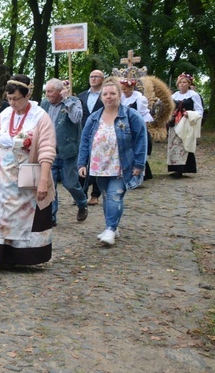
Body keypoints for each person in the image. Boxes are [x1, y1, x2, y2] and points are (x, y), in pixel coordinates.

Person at [0, 75, 56, 270]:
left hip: (25, 173)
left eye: (16, 99)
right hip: (0, 173)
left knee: (20, 215)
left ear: (27, 95)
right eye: (9, 98)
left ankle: (17, 255)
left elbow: (47, 149)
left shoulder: (40, 117)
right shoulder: (4, 114)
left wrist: (43, 180)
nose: (12, 102)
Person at [78, 81, 147, 246]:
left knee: (115, 195)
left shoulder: (131, 116)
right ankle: (113, 226)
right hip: (99, 166)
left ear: (119, 95)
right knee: (107, 196)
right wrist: (82, 163)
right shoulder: (94, 118)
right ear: (101, 97)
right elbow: (85, 141)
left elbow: (141, 141)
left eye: (112, 93)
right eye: (105, 94)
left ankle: (110, 229)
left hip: (121, 165)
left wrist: (139, 164)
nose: (109, 97)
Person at [40, 78, 89, 226]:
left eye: (50, 91)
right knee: (50, 185)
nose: (47, 94)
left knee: (70, 183)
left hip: (69, 152)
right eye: (46, 91)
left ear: (60, 91)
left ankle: (82, 203)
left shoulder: (74, 101)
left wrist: (67, 99)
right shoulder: (44, 104)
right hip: (50, 151)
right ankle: (51, 216)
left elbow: (76, 118)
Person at [168, 73, 203, 178]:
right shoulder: (174, 96)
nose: (182, 84)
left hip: (186, 123)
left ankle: (183, 168)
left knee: (184, 144)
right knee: (174, 145)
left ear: (189, 84)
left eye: (184, 82)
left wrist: (190, 114)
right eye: (180, 82)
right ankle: (175, 168)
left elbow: (199, 110)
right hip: (174, 123)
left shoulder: (193, 95)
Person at [78, 70, 105, 205]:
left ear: (102, 79)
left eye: (96, 77)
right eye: (91, 76)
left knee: (97, 162)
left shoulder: (105, 96)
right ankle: (81, 193)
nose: (93, 79)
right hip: (83, 132)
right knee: (82, 162)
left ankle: (95, 194)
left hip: (100, 132)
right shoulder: (81, 96)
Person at [120, 78, 154, 180]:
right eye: (121, 89)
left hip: (136, 129)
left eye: (125, 89)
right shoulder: (121, 99)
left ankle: (137, 175)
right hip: (124, 129)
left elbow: (144, 116)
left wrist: (140, 130)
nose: (123, 91)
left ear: (131, 88)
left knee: (137, 150)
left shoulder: (139, 99)